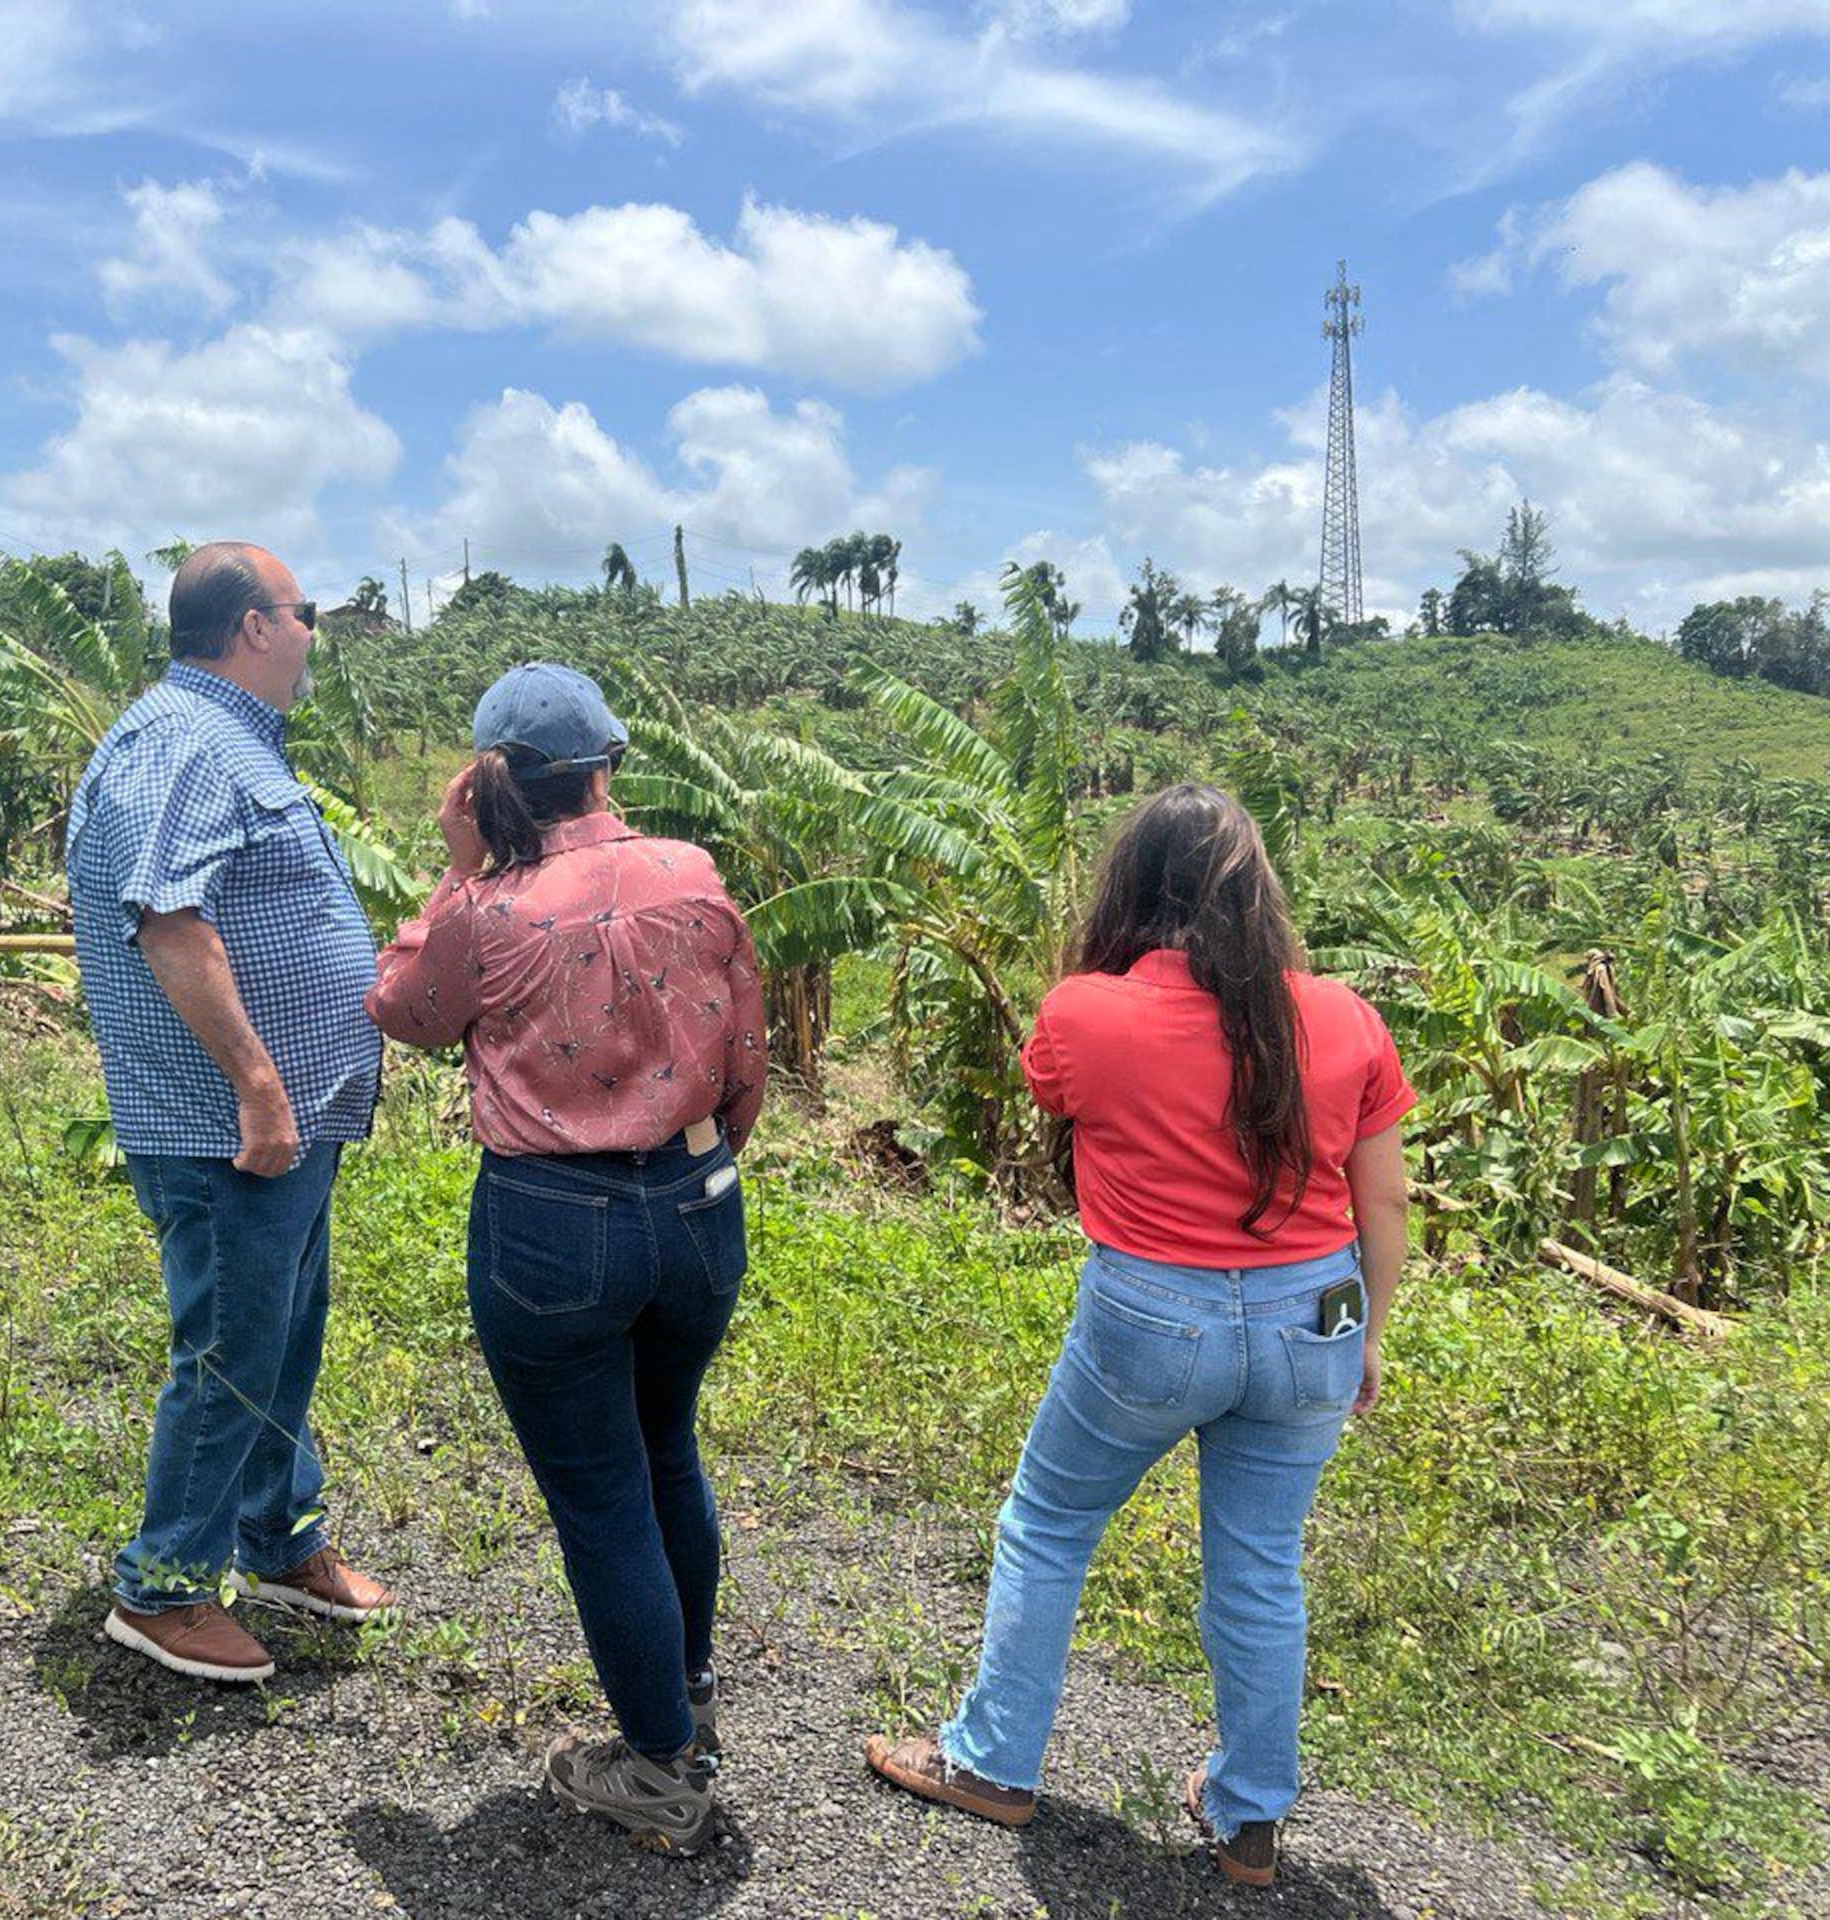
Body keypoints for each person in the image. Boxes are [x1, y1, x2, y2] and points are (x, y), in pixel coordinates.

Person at [865, 783, 1414, 1888]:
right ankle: (1249, 1818)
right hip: (1315, 1313)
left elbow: (1054, 1101)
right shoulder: (1344, 1015)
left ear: (1132, 888)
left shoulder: (1084, 1010)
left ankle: (992, 1763)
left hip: (1153, 1316)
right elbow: (1384, 1203)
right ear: (1257, 895)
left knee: (1050, 1522)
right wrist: (1368, 1337)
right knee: (1259, 1572)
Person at [367, 664, 767, 1854]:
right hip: (698, 1203)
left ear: (490, 782)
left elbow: (402, 1007)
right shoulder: (694, 878)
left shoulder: (489, 912)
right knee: (665, 1452)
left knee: (599, 1498)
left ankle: (656, 1767)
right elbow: (748, 1059)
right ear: (609, 763)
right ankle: (683, 1691)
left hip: (551, 1219)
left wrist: (453, 866)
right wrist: (695, 1164)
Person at [68, 542, 394, 1685]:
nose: (315, 634)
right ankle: (161, 1587)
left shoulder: (221, 740)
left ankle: (277, 1534)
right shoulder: (183, 741)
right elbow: (166, 917)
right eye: (307, 613)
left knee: (282, 1332)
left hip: (283, 1121)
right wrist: (256, 1082)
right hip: (228, 1126)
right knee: (231, 1349)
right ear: (254, 625)